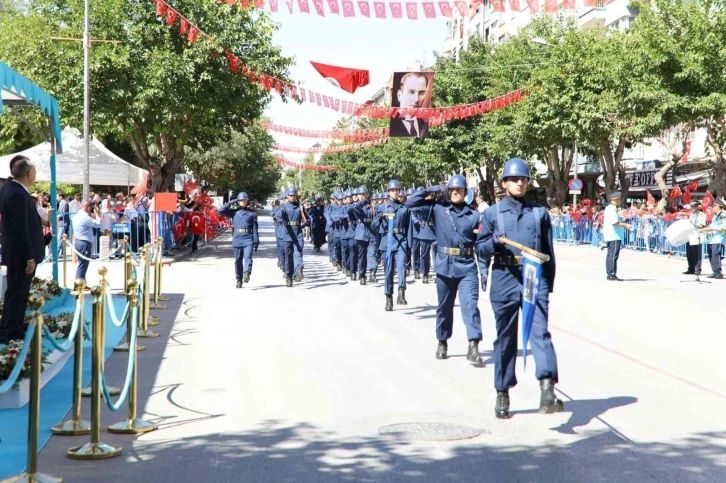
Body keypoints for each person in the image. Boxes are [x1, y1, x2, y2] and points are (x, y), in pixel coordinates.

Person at [475, 158, 562, 419]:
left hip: (533, 277)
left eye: (523, 179)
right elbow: (479, 249)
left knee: (540, 332)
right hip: (504, 276)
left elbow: (549, 251)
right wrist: (492, 243)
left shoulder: (539, 213)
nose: (520, 183)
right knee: (506, 339)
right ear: (504, 183)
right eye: (514, 179)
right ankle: (503, 390)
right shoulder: (492, 214)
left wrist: (548, 284)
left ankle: (547, 386)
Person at [406, 175, 484, 363]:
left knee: (470, 305)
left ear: (466, 192)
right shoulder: (437, 209)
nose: (456, 192)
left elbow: (481, 244)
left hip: (466, 266)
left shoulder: (474, 216)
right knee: (444, 308)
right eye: (452, 189)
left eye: (459, 189)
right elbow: (410, 204)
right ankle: (442, 341)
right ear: (448, 192)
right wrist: (430, 190)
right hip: (444, 266)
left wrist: (483, 269)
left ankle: (473, 344)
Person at [0, 156, 46, 343]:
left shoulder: (11, 189)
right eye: (33, 172)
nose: (34, 175)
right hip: (20, 255)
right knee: (17, 293)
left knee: (17, 293)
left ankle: (13, 328)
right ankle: (11, 331)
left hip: (18, 253)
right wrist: (29, 256)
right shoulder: (17, 193)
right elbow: (20, 227)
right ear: (28, 173)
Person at [374, 179, 412, 311]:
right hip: (387, 242)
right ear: (388, 192)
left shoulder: (404, 208)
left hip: (401, 240)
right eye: (392, 190)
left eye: (397, 190)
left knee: (401, 267)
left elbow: (409, 228)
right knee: (388, 272)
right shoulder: (382, 207)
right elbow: (374, 227)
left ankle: (401, 292)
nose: (395, 192)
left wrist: (409, 245)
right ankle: (388, 297)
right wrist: (379, 217)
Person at [218, 192, 259, 287]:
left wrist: (256, 241)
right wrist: (232, 202)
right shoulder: (234, 212)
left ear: (247, 201)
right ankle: (238, 278)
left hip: (248, 237)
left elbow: (255, 228)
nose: (242, 202)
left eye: (244, 200)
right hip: (237, 237)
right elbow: (220, 211)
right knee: (238, 260)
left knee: (248, 257)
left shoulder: (252, 213)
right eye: (240, 200)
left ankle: (247, 273)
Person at [274, 187, 307, 286]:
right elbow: (278, 215)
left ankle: (299, 269)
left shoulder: (299, 207)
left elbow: (307, 219)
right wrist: (281, 218)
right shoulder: (284, 206)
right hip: (287, 232)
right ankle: (288, 275)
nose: (292, 197)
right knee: (288, 256)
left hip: (298, 233)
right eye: (291, 195)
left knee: (298, 252)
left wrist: (304, 224)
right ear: (288, 196)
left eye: (294, 195)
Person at [390, 72, 430, 139]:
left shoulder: (424, 125)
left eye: (421, 93)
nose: (416, 99)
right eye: (411, 92)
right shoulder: (392, 125)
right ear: (399, 95)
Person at [603, 191, 632, 281]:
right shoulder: (612, 209)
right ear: (616, 200)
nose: (620, 201)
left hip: (610, 235)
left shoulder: (609, 208)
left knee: (610, 255)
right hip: (614, 235)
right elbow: (615, 223)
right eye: (619, 199)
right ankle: (612, 274)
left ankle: (610, 273)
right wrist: (626, 225)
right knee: (613, 255)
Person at [410, 186, 436, 284]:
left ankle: (438, 273)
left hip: (435, 232)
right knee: (424, 255)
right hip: (424, 231)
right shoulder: (419, 207)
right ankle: (425, 273)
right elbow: (411, 208)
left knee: (437, 254)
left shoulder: (434, 205)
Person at [71, 201, 102, 281]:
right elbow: (98, 224)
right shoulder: (85, 217)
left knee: (82, 263)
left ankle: (82, 282)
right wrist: (98, 215)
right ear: (88, 208)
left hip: (79, 241)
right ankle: (79, 283)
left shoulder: (76, 215)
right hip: (84, 242)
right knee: (83, 264)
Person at [703, 200, 725, 279]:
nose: (713, 208)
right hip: (712, 238)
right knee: (711, 255)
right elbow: (712, 225)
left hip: (719, 237)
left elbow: (723, 228)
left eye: (715, 206)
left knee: (715, 255)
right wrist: (706, 228)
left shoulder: (723, 215)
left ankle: (719, 272)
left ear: (719, 206)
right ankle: (714, 272)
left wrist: (712, 228)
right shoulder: (715, 216)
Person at [685, 201, 707, 275]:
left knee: (696, 253)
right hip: (690, 235)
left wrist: (693, 224)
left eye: (693, 207)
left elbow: (702, 225)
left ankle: (697, 269)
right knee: (689, 253)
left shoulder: (701, 215)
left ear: (698, 207)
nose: (692, 209)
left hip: (696, 235)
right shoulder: (691, 214)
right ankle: (691, 268)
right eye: (691, 207)